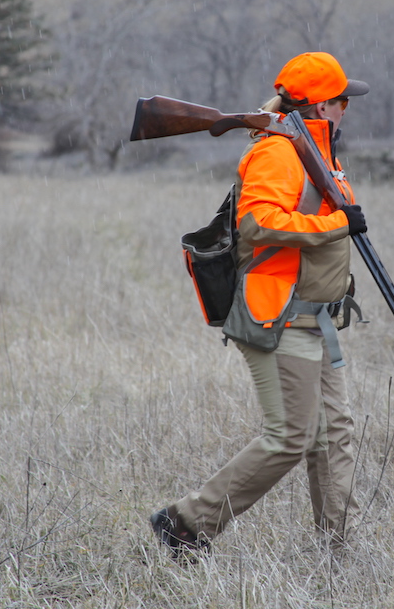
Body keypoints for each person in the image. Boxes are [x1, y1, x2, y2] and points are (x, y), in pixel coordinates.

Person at [151, 51, 369, 558]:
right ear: (321, 106)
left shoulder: (317, 151)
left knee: (333, 434)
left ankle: (341, 548)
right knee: (291, 436)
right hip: (280, 317)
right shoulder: (277, 153)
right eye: (342, 101)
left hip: (319, 319)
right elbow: (260, 224)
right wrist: (337, 224)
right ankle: (186, 522)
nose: (347, 109)